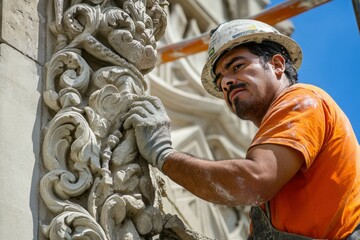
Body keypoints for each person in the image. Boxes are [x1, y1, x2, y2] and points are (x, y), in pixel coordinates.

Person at [122, 19, 360, 239]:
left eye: (237, 66)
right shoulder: (279, 169)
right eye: (220, 80)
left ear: (277, 65)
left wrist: (164, 155)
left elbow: (254, 180)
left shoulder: (301, 101)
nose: (226, 82)